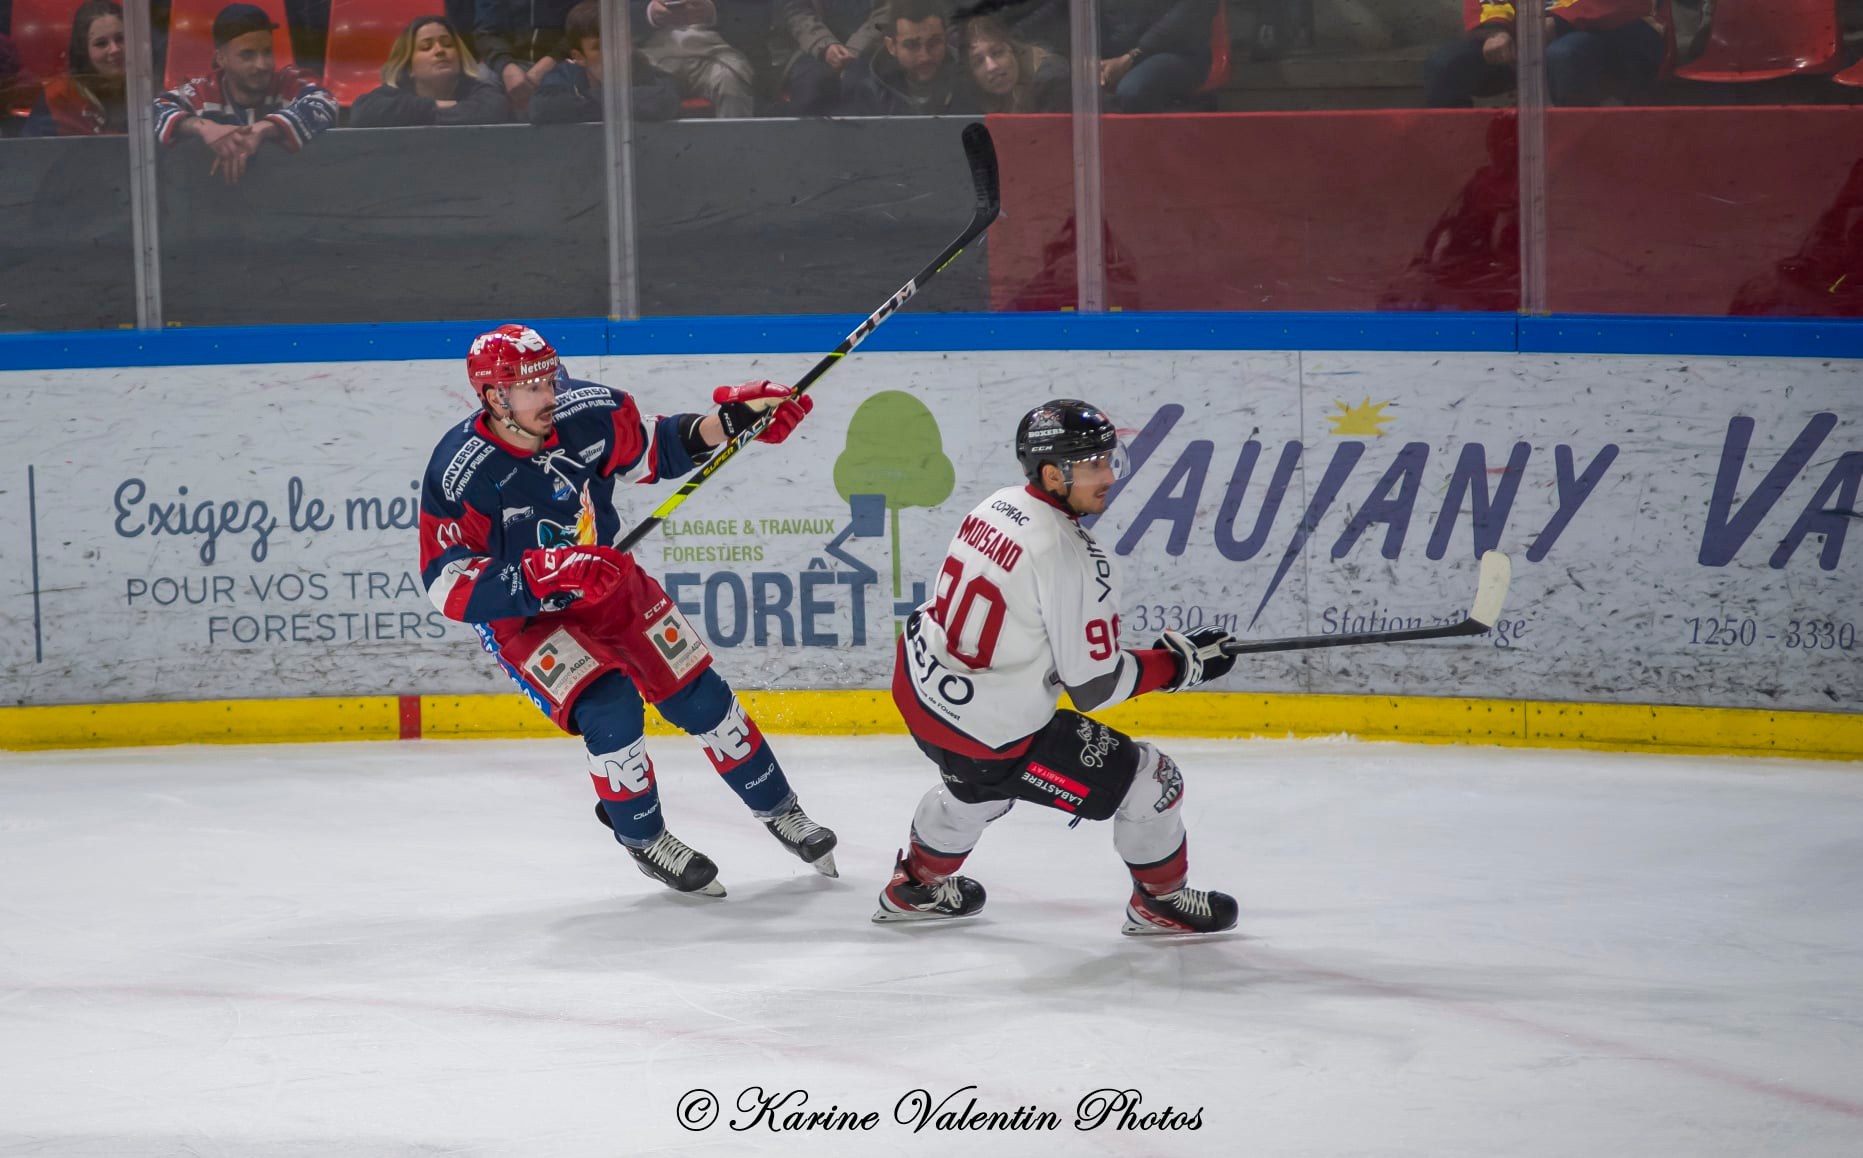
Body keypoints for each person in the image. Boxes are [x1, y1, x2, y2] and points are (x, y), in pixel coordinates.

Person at [418, 325, 839, 897]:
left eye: (550, 379)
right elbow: (449, 585)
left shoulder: (588, 412)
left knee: (699, 695)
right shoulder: (462, 471)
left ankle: (782, 809)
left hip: (608, 583)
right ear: (495, 397)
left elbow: (654, 449)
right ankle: (645, 838)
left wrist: (732, 422)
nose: (550, 395)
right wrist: (545, 573)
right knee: (610, 707)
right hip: (526, 615)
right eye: (532, 387)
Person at [879, 399, 1240, 935]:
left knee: (976, 788)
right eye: (1092, 464)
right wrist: (1178, 665)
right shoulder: (1073, 556)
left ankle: (916, 887)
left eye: (1108, 459)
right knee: (1152, 779)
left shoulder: (996, 505)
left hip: (920, 695)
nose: (1108, 475)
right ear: (1052, 474)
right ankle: (1160, 903)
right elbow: (1095, 687)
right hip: (986, 732)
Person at [152, 3, 337, 185]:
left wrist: (262, 129)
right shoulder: (202, 91)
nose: (262, 65)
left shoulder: (288, 81)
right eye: (247, 55)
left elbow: (325, 102)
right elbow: (152, 111)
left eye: (267, 52)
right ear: (221, 59)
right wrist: (205, 128)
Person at [1424, 0, 1667, 108]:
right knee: (1444, 66)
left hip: (1616, 29)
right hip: (1531, 35)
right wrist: (1495, 30)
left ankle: (1582, 160)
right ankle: (1461, 166)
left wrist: (1559, 21)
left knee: (1564, 56)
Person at [527, 0, 679, 123]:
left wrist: (585, 100)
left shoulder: (642, 68)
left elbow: (664, 100)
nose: (613, 53)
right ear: (578, 57)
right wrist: (626, 103)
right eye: (599, 47)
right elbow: (541, 108)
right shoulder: (565, 73)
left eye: (620, 42)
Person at [349, 14, 512, 127]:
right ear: (409, 66)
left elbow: (493, 109)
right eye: (426, 47)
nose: (440, 51)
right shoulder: (394, 92)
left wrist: (421, 115)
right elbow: (361, 112)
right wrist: (436, 105)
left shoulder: (481, 90)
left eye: (448, 44)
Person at [23, 1, 127, 137]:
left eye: (121, 38)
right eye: (101, 43)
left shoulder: (149, 86)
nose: (115, 49)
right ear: (83, 50)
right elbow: (31, 149)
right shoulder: (58, 98)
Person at [637, 0, 756, 118]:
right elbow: (627, 10)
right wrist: (650, 13)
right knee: (647, 92)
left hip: (715, 53)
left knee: (731, 80)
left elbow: (757, 13)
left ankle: (736, 130)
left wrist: (714, 11)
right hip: (653, 55)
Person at [843, 0, 963, 115]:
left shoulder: (968, 83)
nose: (925, 57)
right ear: (891, 46)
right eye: (912, 45)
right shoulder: (870, 94)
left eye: (934, 43)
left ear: (945, 39)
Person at [771, 0, 890, 115]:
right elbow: (796, 11)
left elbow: (886, 16)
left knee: (866, 89)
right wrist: (824, 45)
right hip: (812, 49)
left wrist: (856, 47)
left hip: (874, 51)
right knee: (809, 89)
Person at [958, 11, 1067, 113]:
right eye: (978, 61)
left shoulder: (1052, 80)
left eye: (997, 53)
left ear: (1013, 49)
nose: (992, 67)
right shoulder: (972, 96)